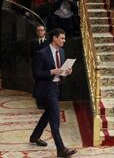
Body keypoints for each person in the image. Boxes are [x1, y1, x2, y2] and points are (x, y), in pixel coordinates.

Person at [30, 28, 77, 157]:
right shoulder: (42, 53)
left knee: (48, 114)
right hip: (46, 89)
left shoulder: (61, 51)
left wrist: (66, 72)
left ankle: (34, 136)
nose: (64, 40)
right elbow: (36, 73)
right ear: (54, 38)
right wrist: (51, 72)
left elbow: (60, 70)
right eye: (62, 38)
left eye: (64, 38)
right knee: (55, 119)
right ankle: (61, 150)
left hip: (56, 88)